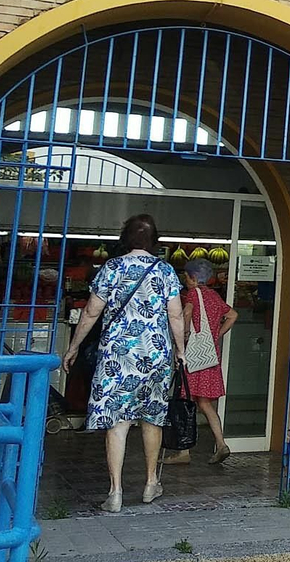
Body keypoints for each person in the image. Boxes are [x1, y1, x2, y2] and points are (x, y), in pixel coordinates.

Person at [61, 214, 185, 513]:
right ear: (155, 242)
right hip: (154, 357)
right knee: (152, 419)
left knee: (117, 423)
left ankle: (115, 491)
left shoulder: (111, 268)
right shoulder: (165, 271)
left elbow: (91, 312)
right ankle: (150, 483)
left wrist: (73, 347)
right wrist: (180, 350)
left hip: (117, 355)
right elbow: (176, 315)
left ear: (124, 239)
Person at [175, 257, 238, 464]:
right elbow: (233, 315)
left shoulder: (193, 294)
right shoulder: (214, 296)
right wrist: (217, 334)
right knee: (205, 403)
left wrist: (182, 338)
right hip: (210, 356)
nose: (185, 279)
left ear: (193, 277)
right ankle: (221, 444)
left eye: (186, 276)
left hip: (194, 355)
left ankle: (184, 452)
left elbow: (187, 312)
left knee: (187, 401)